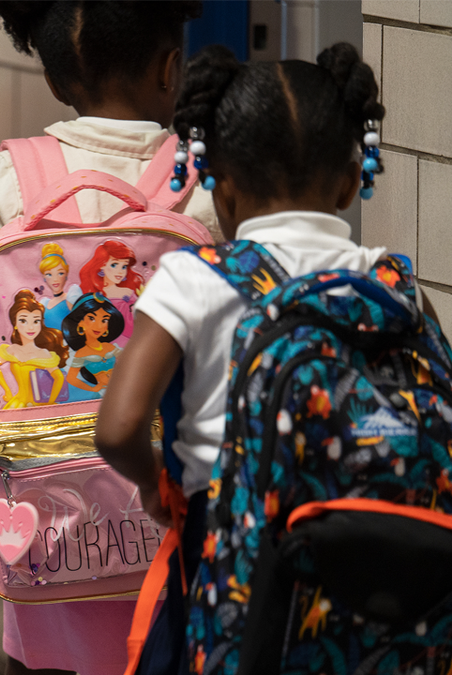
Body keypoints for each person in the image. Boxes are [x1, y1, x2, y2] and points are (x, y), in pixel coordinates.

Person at [94, 42, 421, 675]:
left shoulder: (193, 279)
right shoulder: (393, 284)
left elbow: (118, 427)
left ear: (222, 186)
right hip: (385, 574)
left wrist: (156, 482)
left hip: (235, 563)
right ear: (353, 181)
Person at [0, 2, 212, 673]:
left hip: (40, 524)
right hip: (171, 514)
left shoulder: (12, 178)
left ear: (56, 81)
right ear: (170, 69)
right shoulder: (199, 185)